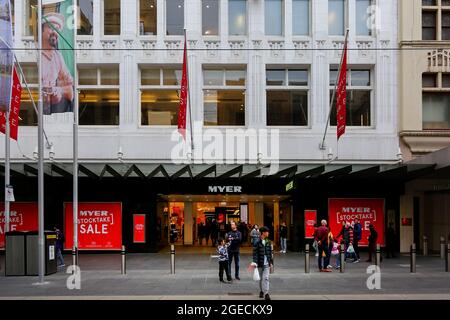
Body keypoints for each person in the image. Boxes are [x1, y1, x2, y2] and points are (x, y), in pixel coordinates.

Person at [41, 12, 74, 115]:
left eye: (57, 29)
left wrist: (58, 91)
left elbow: (70, 91)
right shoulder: (37, 54)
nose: (55, 32)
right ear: (41, 30)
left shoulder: (57, 57)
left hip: (51, 112)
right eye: (51, 28)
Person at [250, 226, 273, 300]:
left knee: (266, 278)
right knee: (260, 279)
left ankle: (266, 293)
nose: (268, 233)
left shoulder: (268, 241)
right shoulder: (257, 242)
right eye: (267, 232)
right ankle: (261, 291)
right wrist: (255, 262)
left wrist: (271, 262)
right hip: (260, 263)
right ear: (263, 233)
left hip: (266, 264)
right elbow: (255, 253)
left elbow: (270, 253)